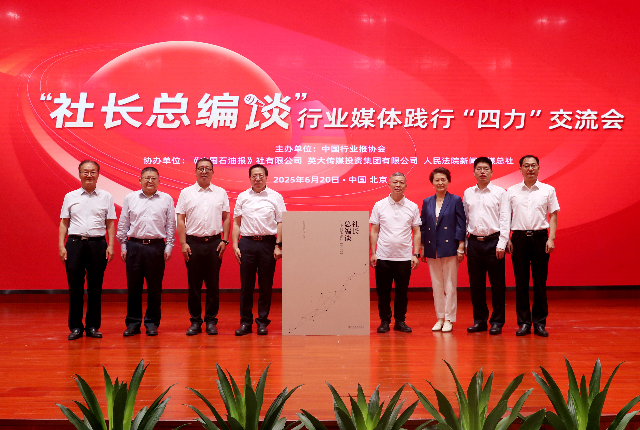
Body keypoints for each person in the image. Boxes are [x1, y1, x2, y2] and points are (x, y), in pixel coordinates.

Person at [58, 160, 116, 340]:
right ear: (80, 174)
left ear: (98, 174)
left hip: (98, 245)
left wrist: (111, 245)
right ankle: (75, 327)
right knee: (75, 287)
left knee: (95, 287)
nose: (89, 175)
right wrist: (61, 245)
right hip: (75, 244)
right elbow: (64, 222)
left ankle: (92, 326)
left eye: (92, 172)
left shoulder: (106, 196)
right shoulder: (70, 196)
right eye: (85, 172)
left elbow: (110, 223)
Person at [117, 167, 176, 337]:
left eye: (153, 178)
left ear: (159, 181)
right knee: (133, 287)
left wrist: (169, 246)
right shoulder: (130, 198)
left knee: (154, 288)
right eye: (146, 178)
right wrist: (123, 245)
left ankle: (152, 323)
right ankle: (133, 323)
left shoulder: (166, 199)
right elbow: (123, 223)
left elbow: (170, 224)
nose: (150, 181)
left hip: (156, 247)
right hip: (134, 246)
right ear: (140, 180)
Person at [176, 158, 230, 336]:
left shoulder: (221, 192)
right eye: (201, 168)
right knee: (194, 285)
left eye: (207, 168)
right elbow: (180, 219)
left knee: (213, 285)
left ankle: (211, 321)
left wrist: (225, 240)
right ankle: (195, 321)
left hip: (215, 243)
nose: (204, 171)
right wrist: (183, 243)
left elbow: (226, 217)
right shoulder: (186, 193)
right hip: (193, 243)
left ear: (213, 172)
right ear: (195, 171)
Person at [506, 155, 559, 337]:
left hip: (540, 238)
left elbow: (553, 215)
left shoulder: (548, 190)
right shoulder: (511, 191)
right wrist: (507, 239)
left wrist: (551, 239)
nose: (530, 169)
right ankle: (523, 323)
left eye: (533, 165)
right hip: (518, 238)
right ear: (520, 169)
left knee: (540, 283)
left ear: (538, 168)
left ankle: (539, 323)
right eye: (526, 165)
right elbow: (506, 216)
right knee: (521, 283)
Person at [232, 164, 285, 336]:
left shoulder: (275, 197)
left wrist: (278, 245)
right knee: (246, 285)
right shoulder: (243, 197)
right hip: (247, 243)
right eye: (254, 176)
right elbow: (236, 222)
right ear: (249, 178)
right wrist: (235, 244)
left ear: (266, 177)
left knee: (265, 285)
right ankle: (245, 322)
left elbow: (281, 222)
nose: (257, 178)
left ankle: (262, 322)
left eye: (261, 175)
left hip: (268, 244)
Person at [369, 172, 422, 333]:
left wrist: (416, 254)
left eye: (401, 182)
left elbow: (417, 232)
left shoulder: (412, 206)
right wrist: (373, 253)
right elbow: (374, 230)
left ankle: (400, 321)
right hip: (383, 256)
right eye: (395, 182)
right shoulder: (379, 205)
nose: (398, 185)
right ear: (389, 185)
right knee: (383, 292)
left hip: (404, 257)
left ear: (406, 186)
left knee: (402, 292)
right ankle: (384, 321)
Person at [463, 157, 509, 335]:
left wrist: (502, 243)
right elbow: (465, 219)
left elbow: (505, 218)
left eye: (486, 168)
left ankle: (497, 321)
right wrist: (465, 243)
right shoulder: (468, 193)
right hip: (474, 243)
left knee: (497, 285)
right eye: (479, 168)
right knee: (476, 285)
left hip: (494, 242)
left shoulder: (500, 192)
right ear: (474, 172)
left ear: (491, 172)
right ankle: (480, 321)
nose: (482, 171)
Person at [420, 167, 466, 333]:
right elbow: (423, 225)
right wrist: (422, 246)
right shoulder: (427, 201)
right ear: (432, 183)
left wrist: (461, 246)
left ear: (448, 181)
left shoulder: (455, 200)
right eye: (437, 180)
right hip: (432, 247)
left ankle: (449, 319)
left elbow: (461, 224)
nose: (440, 182)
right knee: (437, 284)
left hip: (450, 247)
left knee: (450, 284)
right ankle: (440, 318)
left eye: (443, 179)